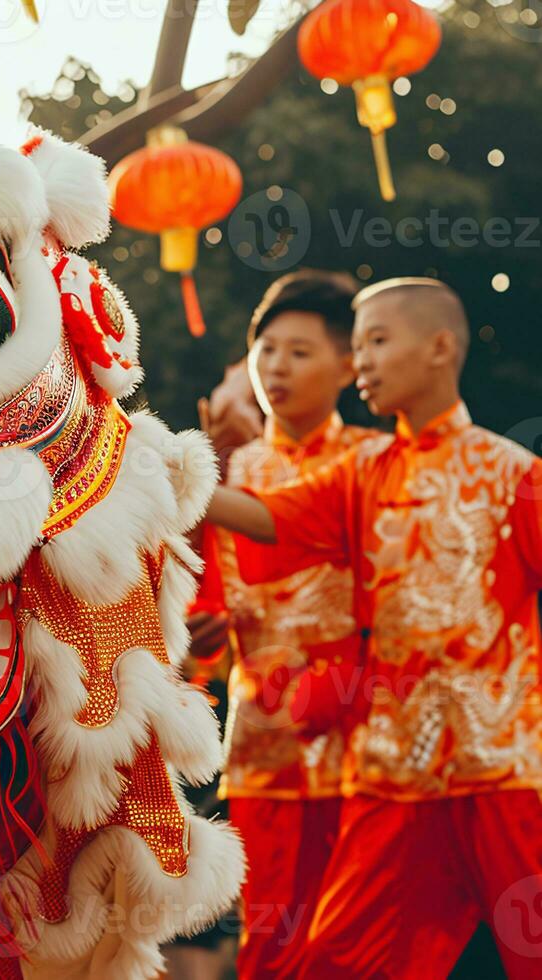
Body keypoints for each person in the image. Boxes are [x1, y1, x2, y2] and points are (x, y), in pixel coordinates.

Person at [206, 277, 542, 976]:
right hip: (394, 776)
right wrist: (152, 469)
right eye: (357, 347)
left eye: (377, 343)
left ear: (440, 348)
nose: (362, 362)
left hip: (502, 766)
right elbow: (268, 518)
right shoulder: (360, 474)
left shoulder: (513, 474)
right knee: (330, 961)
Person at [198, 270, 374, 978]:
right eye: (266, 349)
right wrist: (204, 636)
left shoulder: (371, 461)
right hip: (265, 739)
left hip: (359, 737)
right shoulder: (232, 470)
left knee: (355, 937)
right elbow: (206, 601)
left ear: (348, 364)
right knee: (269, 939)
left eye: (300, 352)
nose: (277, 367)